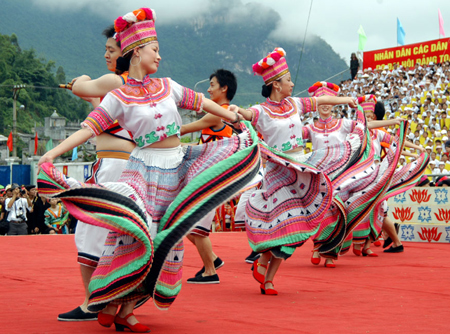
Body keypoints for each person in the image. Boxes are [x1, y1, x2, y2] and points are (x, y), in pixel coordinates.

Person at [38, 8, 259, 332]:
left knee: (162, 240)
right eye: (155, 49)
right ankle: (110, 299)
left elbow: (201, 102)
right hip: (144, 170)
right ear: (137, 51)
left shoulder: (168, 86)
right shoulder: (118, 96)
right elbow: (87, 129)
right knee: (134, 233)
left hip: (177, 165)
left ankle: (126, 310)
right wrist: (52, 153)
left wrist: (234, 117)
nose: (159, 54)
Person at [235, 48, 358, 295]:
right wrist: (235, 112)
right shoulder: (261, 111)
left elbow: (322, 101)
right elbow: (245, 115)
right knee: (282, 225)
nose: (292, 83)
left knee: (297, 228)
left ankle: (268, 276)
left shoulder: (294, 104)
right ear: (276, 84)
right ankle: (264, 265)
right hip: (279, 173)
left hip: (302, 169)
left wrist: (345, 100)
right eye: (288, 79)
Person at [57, 24, 136, 323]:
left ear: (127, 53)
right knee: (118, 233)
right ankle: (117, 300)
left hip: (113, 166)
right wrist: (92, 96)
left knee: (91, 230)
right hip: (129, 168)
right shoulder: (138, 86)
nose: (106, 54)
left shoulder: (115, 80)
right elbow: (104, 114)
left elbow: (81, 86)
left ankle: (93, 302)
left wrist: (83, 80)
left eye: (111, 50)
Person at [180, 69, 238, 284]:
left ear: (224, 89)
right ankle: (212, 260)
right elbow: (203, 144)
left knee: (195, 227)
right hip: (211, 176)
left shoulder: (218, 112)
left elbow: (185, 128)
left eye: (212, 84)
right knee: (186, 224)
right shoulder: (223, 113)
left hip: (210, 179)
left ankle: (210, 270)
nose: (208, 88)